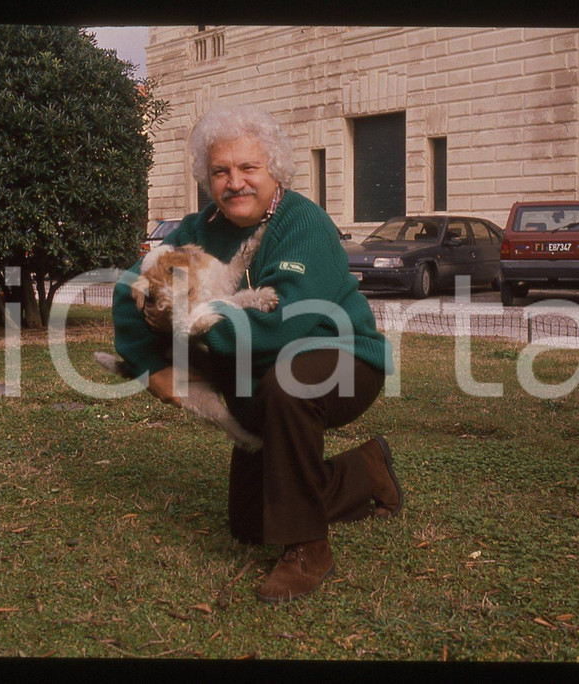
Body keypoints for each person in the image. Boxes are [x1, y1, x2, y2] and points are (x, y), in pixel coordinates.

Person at [111, 105, 402, 603]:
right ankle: (367, 471)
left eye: (249, 167)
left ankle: (309, 550)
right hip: (259, 375)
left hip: (341, 356)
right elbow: (128, 290)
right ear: (207, 179)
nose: (235, 183)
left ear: (275, 169)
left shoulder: (304, 222)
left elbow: (281, 323)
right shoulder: (196, 230)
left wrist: (194, 328)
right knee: (250, 522)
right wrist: (151, 365)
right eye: (220, 171)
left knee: (288, 384)